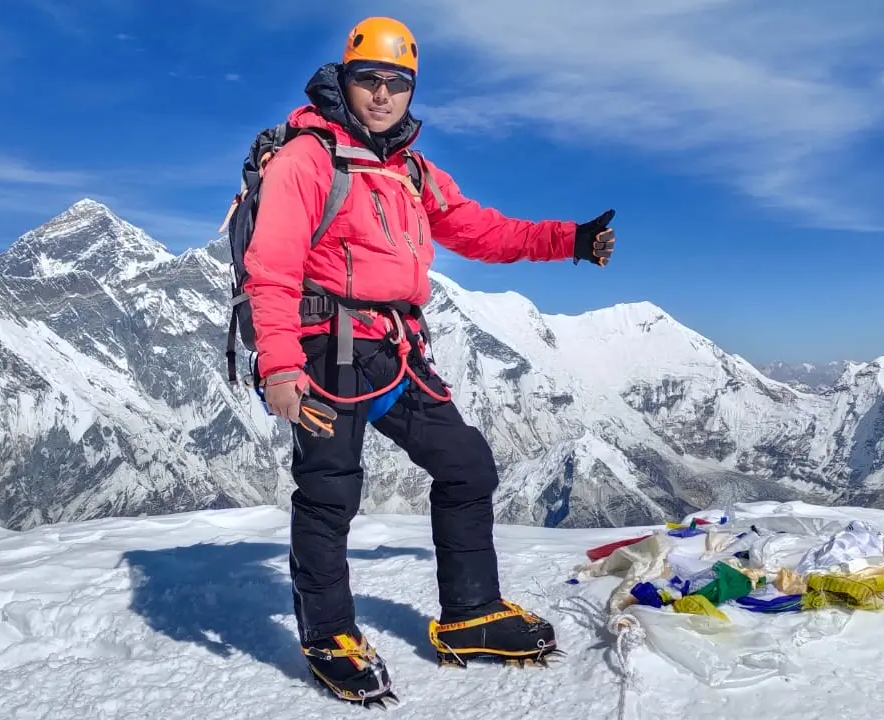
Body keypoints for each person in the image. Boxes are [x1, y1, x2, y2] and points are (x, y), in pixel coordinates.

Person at [241, 15, 616, 705]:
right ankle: (329, 636)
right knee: (328, 493)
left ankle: (470, 614)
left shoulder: (409, 169)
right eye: (368, 80)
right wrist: (280, 366)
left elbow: (479, 228)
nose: (382, 95)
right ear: (344, 81)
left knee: (466, 465)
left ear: (411, 90)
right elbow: (271, 266)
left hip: (396, 349)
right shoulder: (307, 159)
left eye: (397, 83)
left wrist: (568, 239)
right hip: (331, 350)